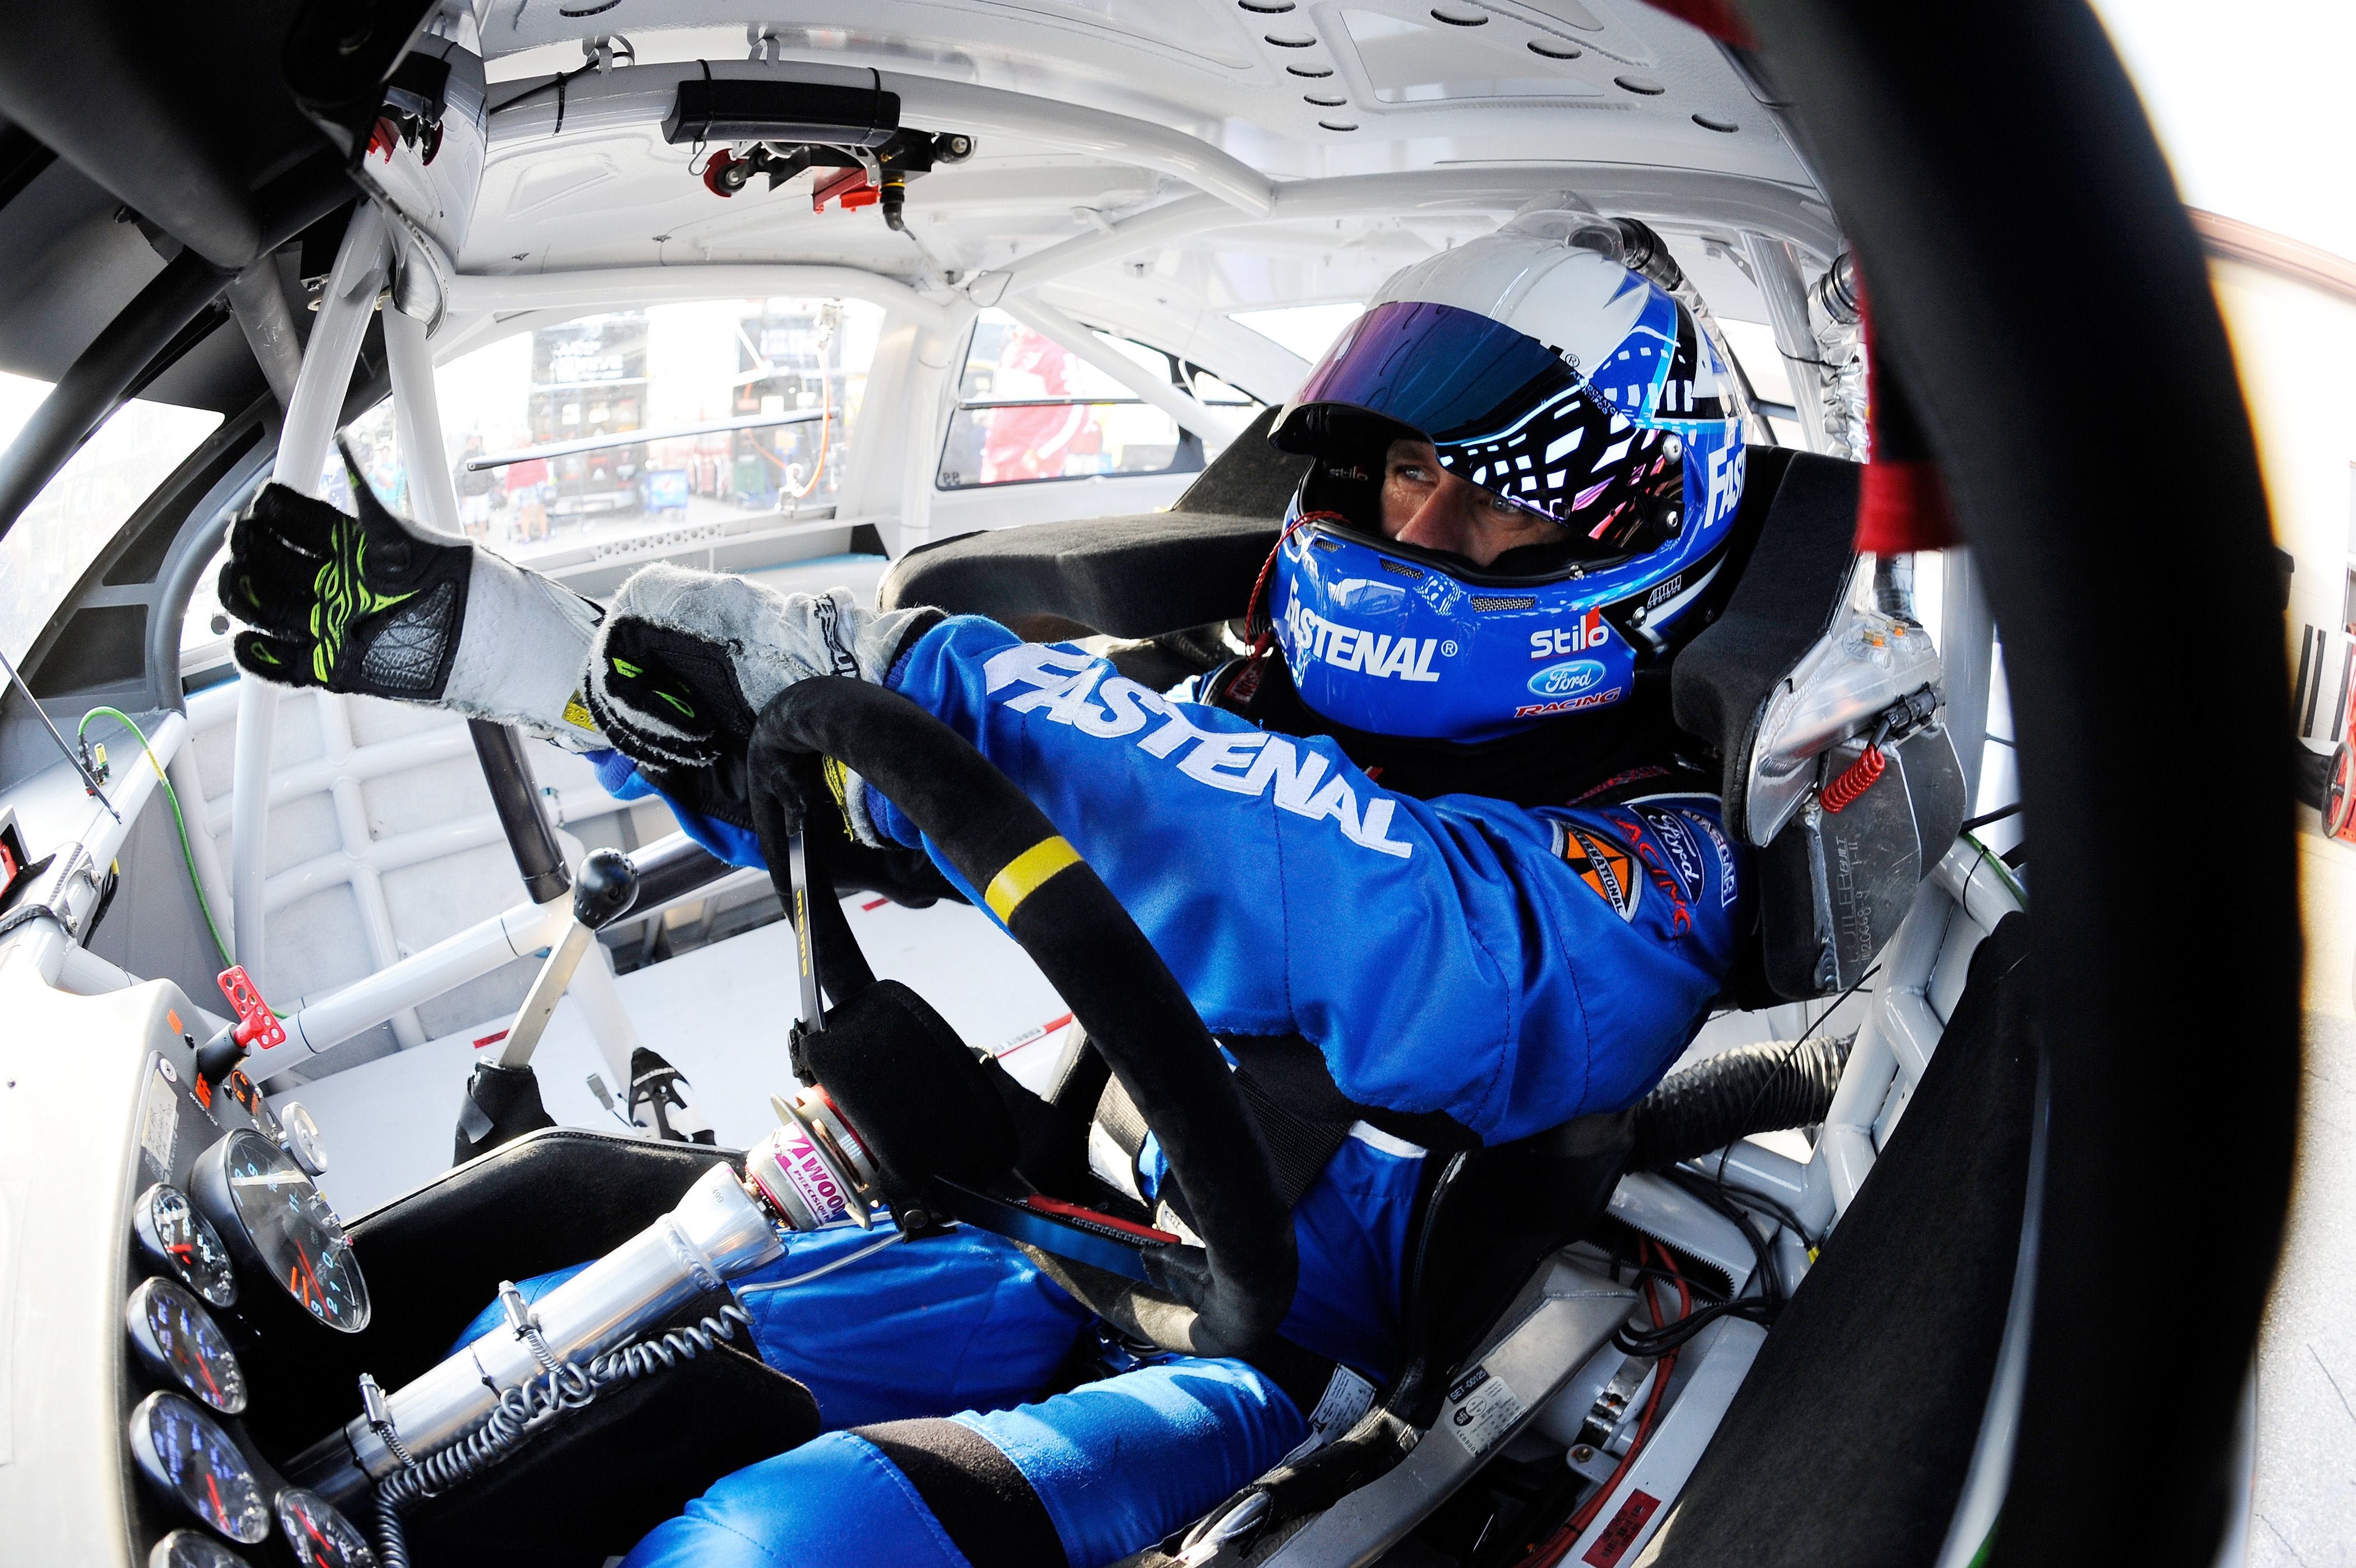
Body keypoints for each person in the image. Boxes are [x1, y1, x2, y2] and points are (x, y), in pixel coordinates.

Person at [220, 197, 1756, 1568]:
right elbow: (914, 803)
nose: (1419, 523)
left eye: (1493, 497)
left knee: (781, 1542)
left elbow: (1385, 924)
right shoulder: (1255, 714)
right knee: (551, 1350)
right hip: (1070, 1235)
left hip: (1282, 1364)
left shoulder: (1653, 862)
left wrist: (921, 677)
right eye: (1412, 467)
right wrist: (541, 656)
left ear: (1624, 546)